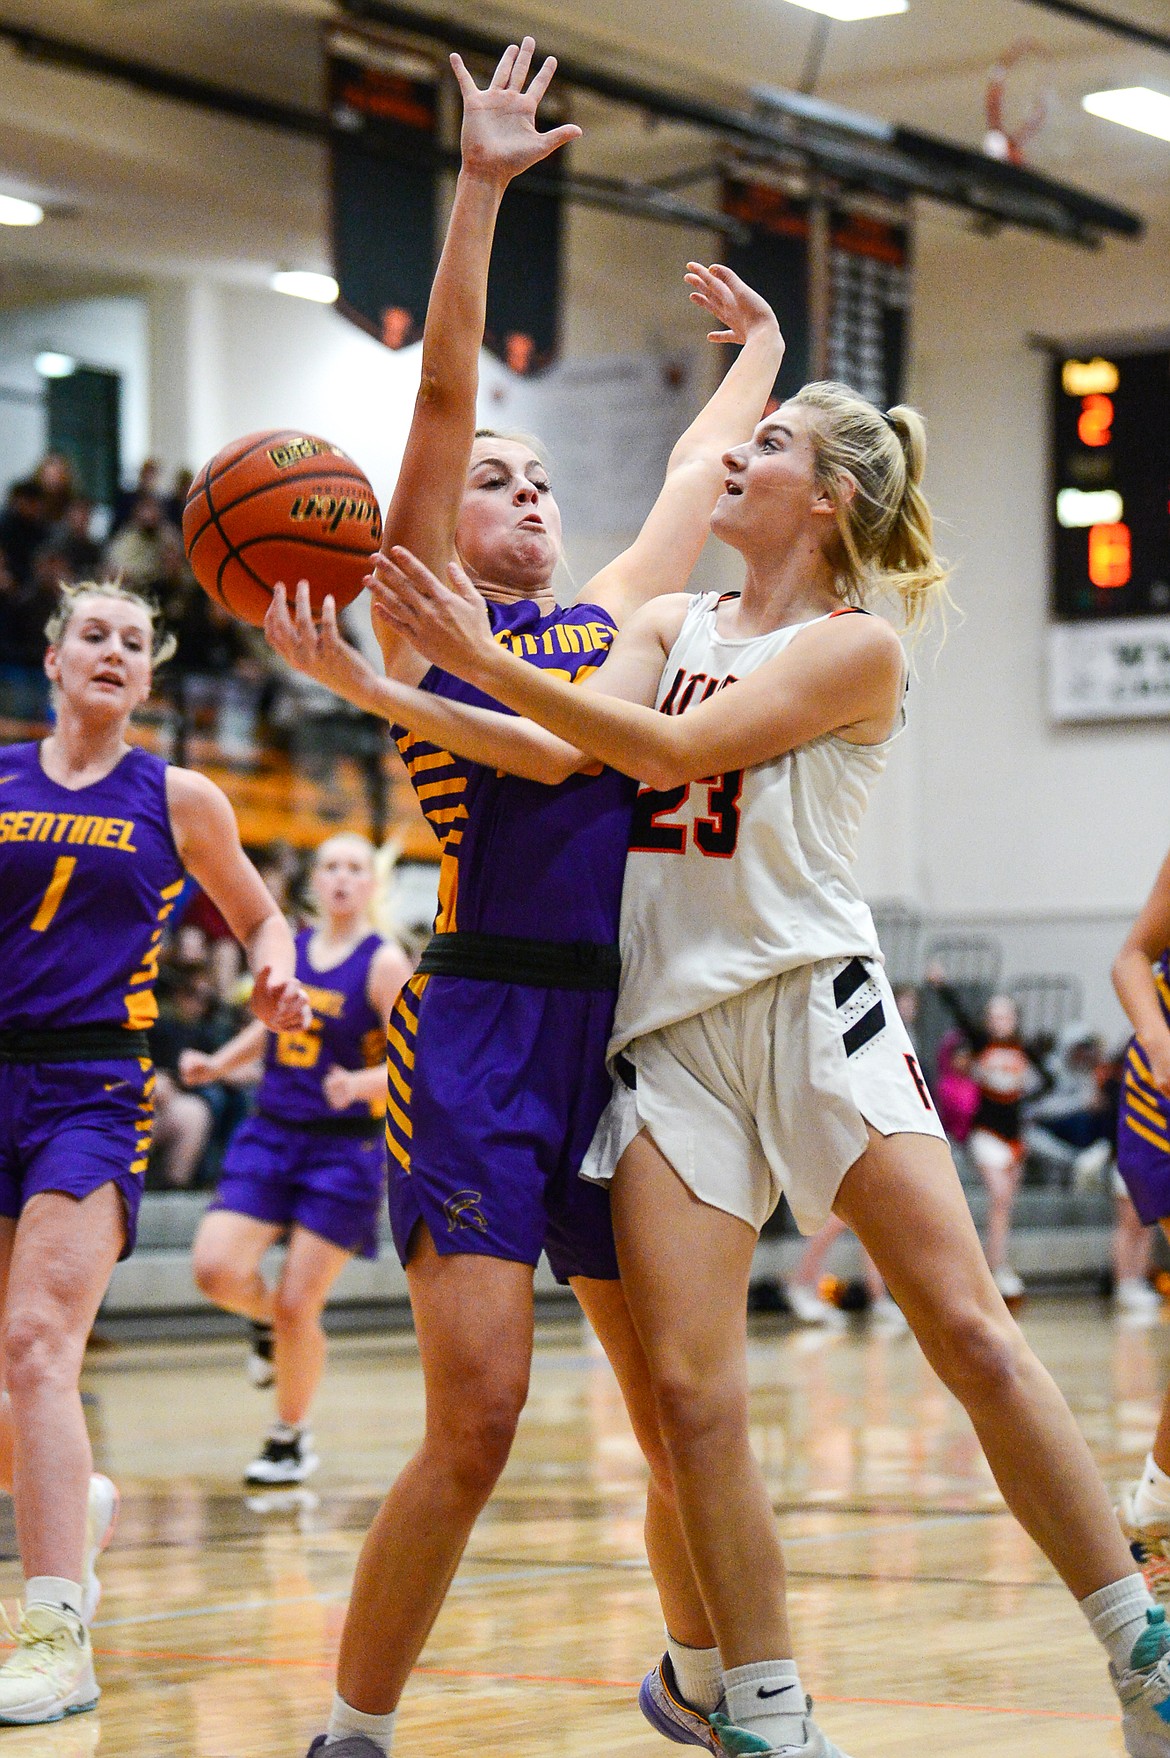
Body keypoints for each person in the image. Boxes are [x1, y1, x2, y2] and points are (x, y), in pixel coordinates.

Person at [370, 381, 1170, 1758]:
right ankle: (765, 1710)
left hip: (813, 1008)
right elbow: (566, 747)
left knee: (969, 1331)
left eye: (773, 446)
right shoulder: (667, 622)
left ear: (829, 499)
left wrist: (475, 658)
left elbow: (668, 748)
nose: (740, 458)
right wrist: (378, 681)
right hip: (667, 1037)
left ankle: (1136, 1645)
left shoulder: (857, 648)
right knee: (688, 1398)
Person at [264, 37, 783, 1758]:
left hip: (624, 1032)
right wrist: (477, 192)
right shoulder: (425, 614)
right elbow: (438, 397)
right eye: (502, 477)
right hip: (482, 1024)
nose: (529, 490)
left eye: (541, 475)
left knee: (676, 1410)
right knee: (477, 1416)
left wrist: (768, 348)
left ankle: (706, 1688)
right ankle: (353, 1727)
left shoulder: (619, 618)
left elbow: (705, 475)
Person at [0, 579, 309, 1724]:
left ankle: (55, 1635)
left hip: (92, 1084)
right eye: (95, 634)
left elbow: (262, 915)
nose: (115, 652)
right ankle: (75, 1511)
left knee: (38, 1343)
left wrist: (273, 965)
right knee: (13, 1384)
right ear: (55, 657)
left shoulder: (179, 797)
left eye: (136, 641)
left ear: (150, 672)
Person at [183, 834, 409, 1485]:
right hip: (273, 1132)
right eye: (331, 865)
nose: (341, 877)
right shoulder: (298, 946)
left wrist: (363, 1086)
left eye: (355, 868)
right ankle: (265, 1329)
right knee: (215, 1270)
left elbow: (418, 1060)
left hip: (344, 1151)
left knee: (298, 1305)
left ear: (372, 884)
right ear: (316, 879)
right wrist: (218, 1065)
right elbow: (268, 1025)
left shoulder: (383, 962)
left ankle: (289, 1436)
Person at [1111, 845, 1170, 1591]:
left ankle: (1155, 1504)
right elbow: (1132, 957)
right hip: (1164, 1090)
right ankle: (1155, 1509)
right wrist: (1157, 1037)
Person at [925, 972, 1046, 1302]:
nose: (999, 1021)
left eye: (1005, 1015)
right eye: (993, 1015)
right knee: (1000, 1196)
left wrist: (1027, 1100)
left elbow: (1046, 1080)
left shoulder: (1024, 1048)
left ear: (1015, 1019)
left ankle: (998, 1266)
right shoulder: (981, 1043)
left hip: (1014, 1137)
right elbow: (961, 1015)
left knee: (1004, 1207)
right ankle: (985, 1270)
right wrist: (942, 985)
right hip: (985, 1133)